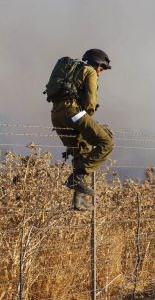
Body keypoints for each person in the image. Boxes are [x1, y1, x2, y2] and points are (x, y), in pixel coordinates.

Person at [47, 49, 114, 211]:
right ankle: (77, 178)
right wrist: (89, 120)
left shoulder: (71, 68)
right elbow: (90, 102)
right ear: (96, 63)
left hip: (56, 115)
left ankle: (79, 201)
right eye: (102, 68)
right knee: (106, 141)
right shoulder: (89, 71)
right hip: (74, 114)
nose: (101, 72)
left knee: (81, 151)